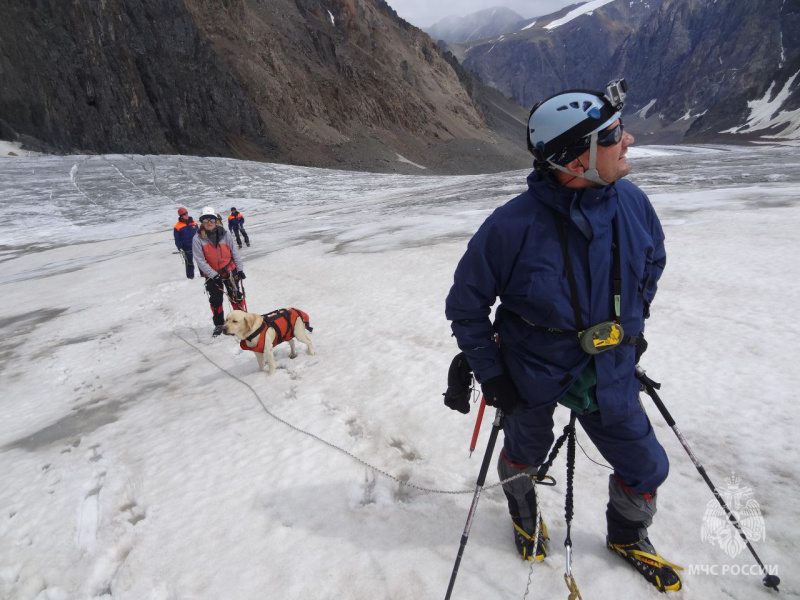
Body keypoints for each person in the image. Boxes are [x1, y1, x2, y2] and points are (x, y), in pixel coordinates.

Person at [444, 80, 680, 592]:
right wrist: (493, 375)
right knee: (522, 452)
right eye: (613, 134)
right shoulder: (510, 227)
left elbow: (652, 264)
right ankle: (522, 508)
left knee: (645, 466)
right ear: (576, 161)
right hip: (529, 373)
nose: (630, 140)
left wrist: (631, 332)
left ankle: (627, 533)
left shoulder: (633, 204)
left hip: (610, 369)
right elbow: (466, 306)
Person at [193, 206, 247, 337]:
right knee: (216, 301)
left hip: (229, 271)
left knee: (236, 297)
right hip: (212, 276)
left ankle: (242, 322)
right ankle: (219, 325)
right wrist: (213, 275)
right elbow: (200, 260)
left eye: (211, 219)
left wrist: (239, 270)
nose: (209, 222)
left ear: (215, 220)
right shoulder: (198, 239)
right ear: (202, 222)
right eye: (205, 220)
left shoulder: (225, 233)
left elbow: (234, 252)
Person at [173, 207, 197, 279]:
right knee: (189, 263)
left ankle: (203, 274)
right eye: (184, 214)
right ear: (181, 216)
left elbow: (199, 234)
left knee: (201, 261)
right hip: (186, 248)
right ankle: (190, 277)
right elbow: (177, 239)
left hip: (196, 246)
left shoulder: (194, 223)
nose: (186, 215)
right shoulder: (177, 226)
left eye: (186, 213)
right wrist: (179, 248)